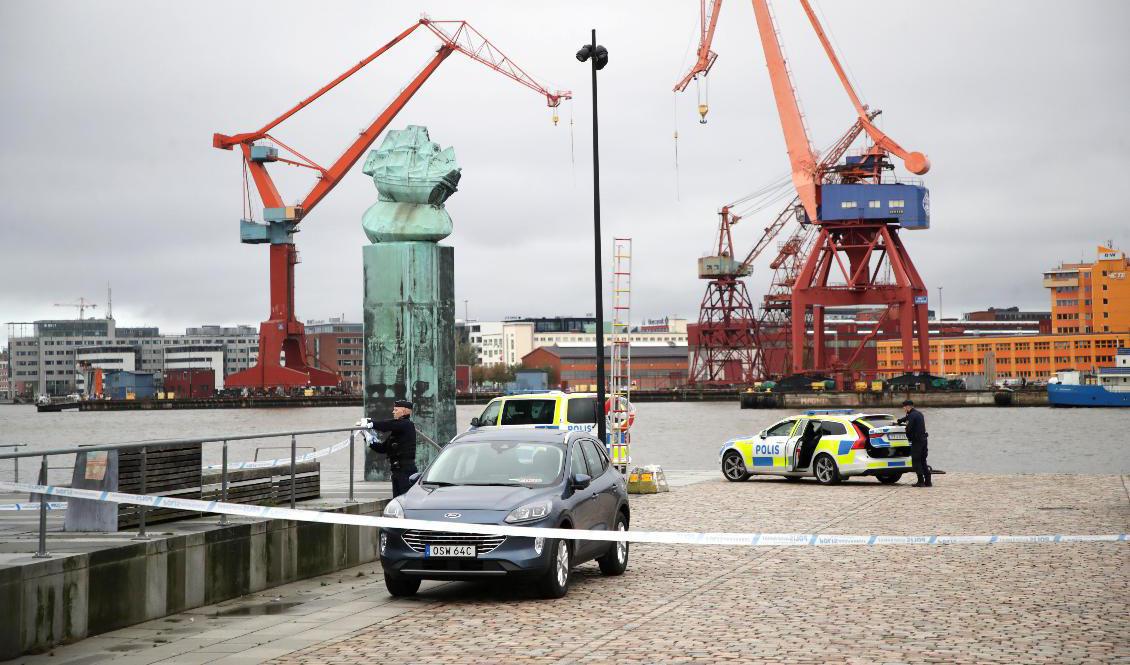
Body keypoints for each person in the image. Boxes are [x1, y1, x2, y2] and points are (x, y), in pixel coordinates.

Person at [363, 400, 418, 498]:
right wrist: (369, 440)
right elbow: (382, 449)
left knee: (405, 500)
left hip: (406, 471)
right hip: (397, 471)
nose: (393, 412)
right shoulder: (397, 430)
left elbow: (387, 425)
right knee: (397, 499)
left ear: (404, 411)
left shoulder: (407, 425)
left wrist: (371, 423)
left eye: (396, 410)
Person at [896, 399, 931, 487]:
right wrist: (900, 420)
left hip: (917, 441)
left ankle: (920, 481)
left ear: (907, 407)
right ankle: (928, 481)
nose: (903, 408)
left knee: (916, 460)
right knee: (923, 460)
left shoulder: (911, 416)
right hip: (924, 440)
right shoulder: (919, 413)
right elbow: (908, 418)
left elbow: (909, 429)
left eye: (904, 407)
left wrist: (909, 438)